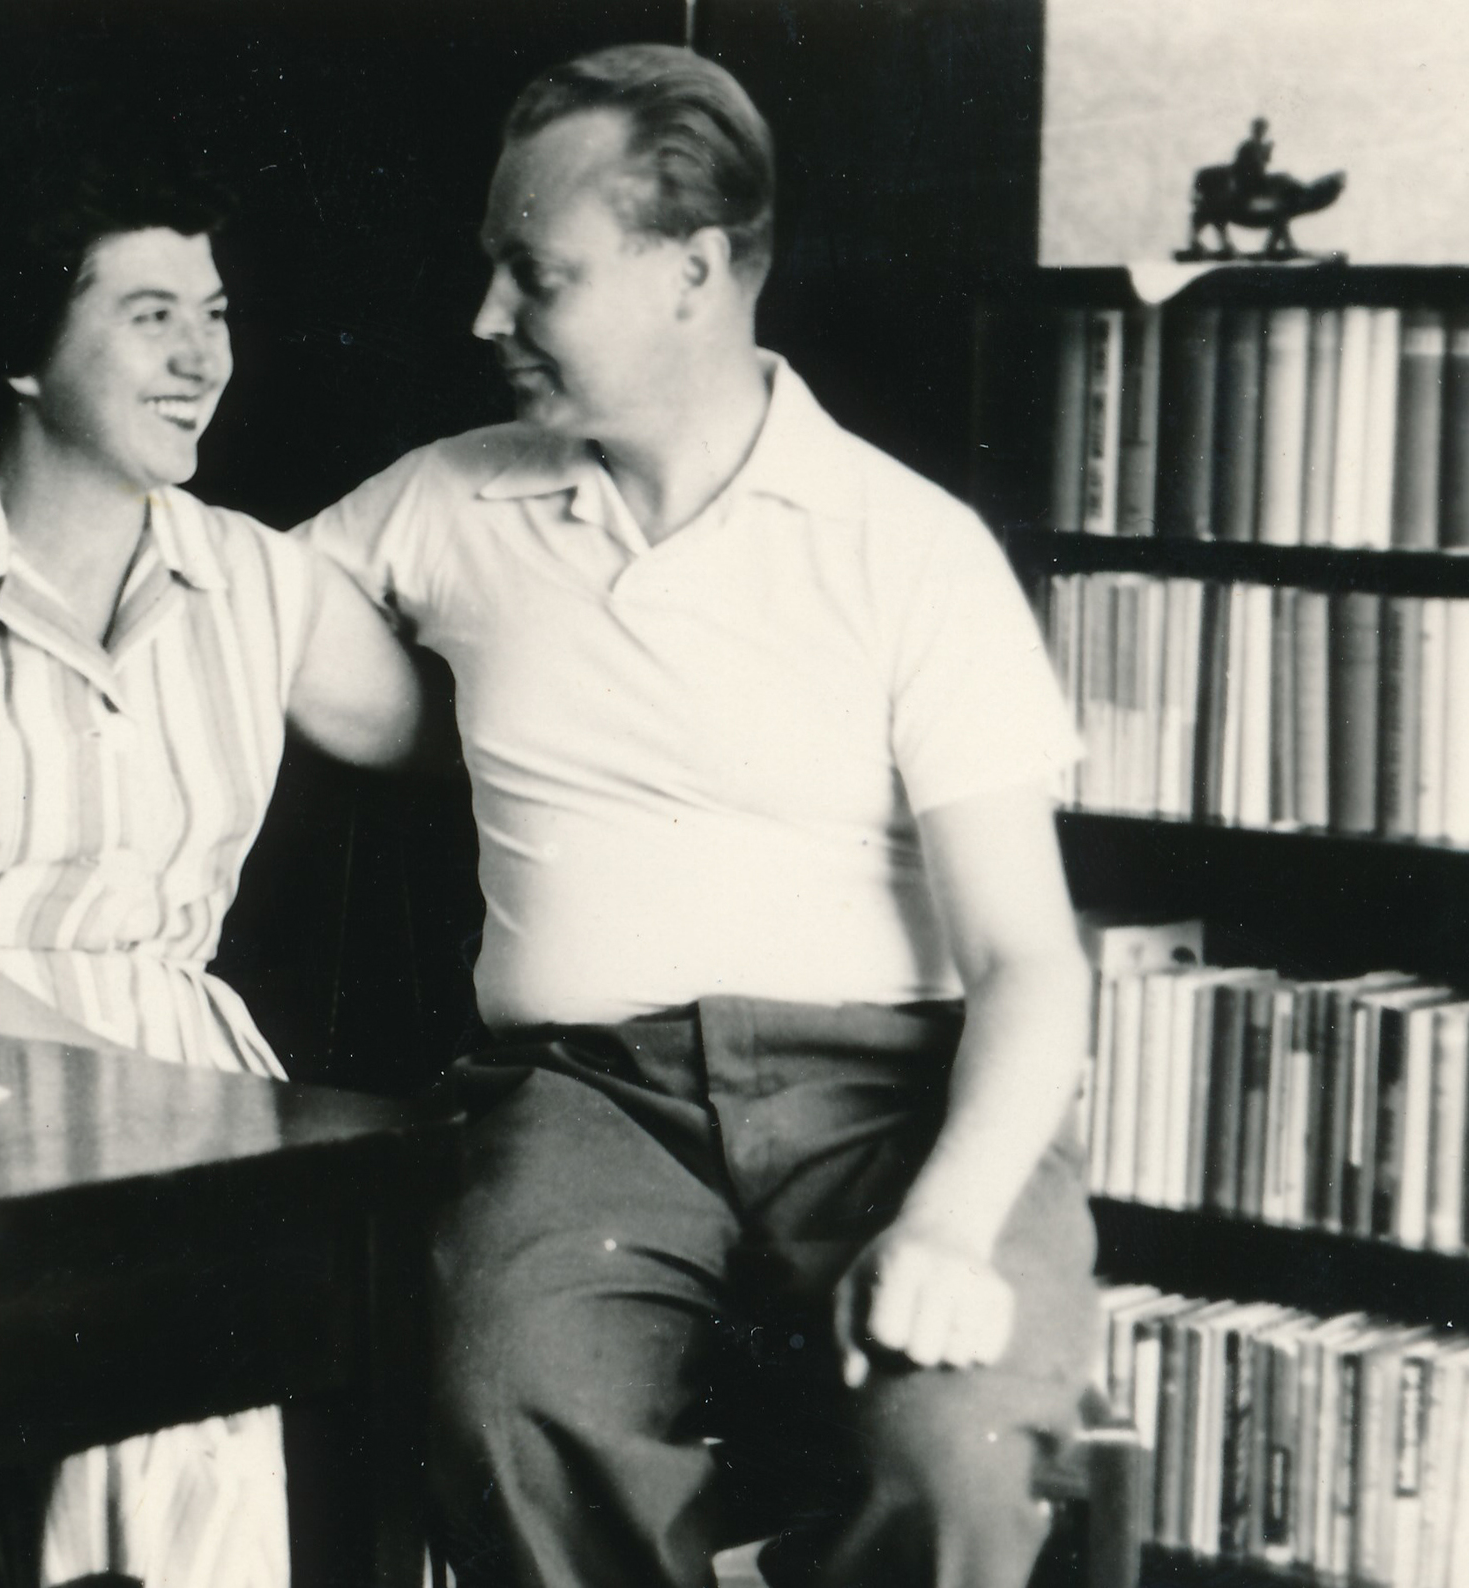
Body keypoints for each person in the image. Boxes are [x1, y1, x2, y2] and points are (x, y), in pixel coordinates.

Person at [298, 44, 1097, 1588]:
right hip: (586, 1102)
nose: (486, 317)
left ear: (694, 271)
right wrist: (440, 736)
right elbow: (239, 608)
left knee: (957, 1455)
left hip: (889, 1105)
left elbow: (1029, 962)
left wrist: (945, 1227)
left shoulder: (910, 550)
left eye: (537, 276)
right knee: (505, 1397)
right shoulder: (452, 500)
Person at [0, 146, 422, 1588]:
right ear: (21, 350)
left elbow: (463, 734)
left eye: (216, 314)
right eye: (149, 315)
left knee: (231, 1379)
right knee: (101, 1384)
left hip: (189, 1088)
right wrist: (165, 1122)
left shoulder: (264, 582)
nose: (203, 359)